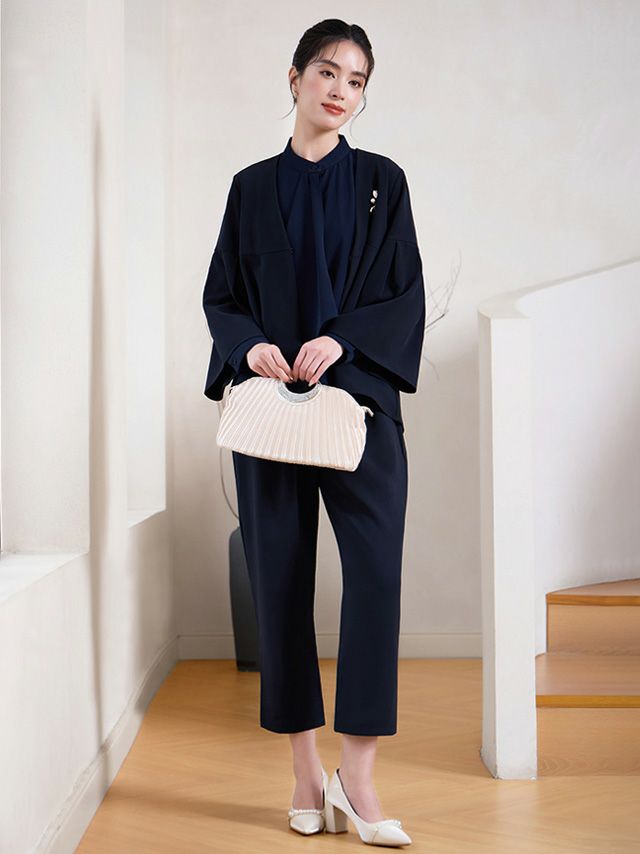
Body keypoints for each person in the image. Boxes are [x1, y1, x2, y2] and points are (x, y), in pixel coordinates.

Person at [202, 19, 425, 846]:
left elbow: (402, 291)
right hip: (272, 419)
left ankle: (357, 779)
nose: (340, 90)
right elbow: (222, 295)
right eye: (328, 72)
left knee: (374, 580)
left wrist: (345, 342)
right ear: (294, 78)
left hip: (359, 411)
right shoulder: (250, 188)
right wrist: (248, 347)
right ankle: (304, 773)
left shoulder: (382, 182)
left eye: (356, 80)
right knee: (281, 585)